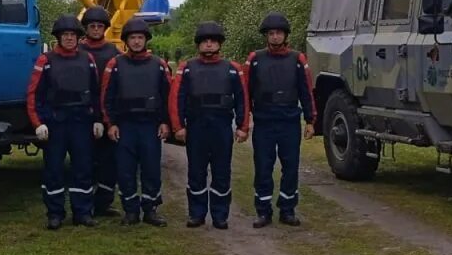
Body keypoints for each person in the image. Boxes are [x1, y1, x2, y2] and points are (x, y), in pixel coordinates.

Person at [169, 21, 249, 230]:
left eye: (213, 41)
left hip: (222, 126)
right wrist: (178, 127)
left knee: (222, 172)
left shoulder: (232, 69)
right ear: (199, 45)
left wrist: (242, 126)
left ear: (219, 44)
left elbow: (242, 99)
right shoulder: (187, 68)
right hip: (196, 126)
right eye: (205, 41)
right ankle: (197, 214)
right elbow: (176, 97)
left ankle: (220, 215)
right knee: (196, 171)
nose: (209, 45)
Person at [27, 14, 103, 230]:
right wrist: (37, 123)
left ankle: (82, 212)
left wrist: (97, 119)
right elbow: (33, 94)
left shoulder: (87, 59)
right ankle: (55, 213)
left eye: (73, 35)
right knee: (53, 170)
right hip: (55, 124)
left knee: (83, 168)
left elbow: (96, 92)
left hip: (81, 123)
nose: (69, 38)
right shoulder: (46, 60)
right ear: (58, 37)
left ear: (79, 37)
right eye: (65, 35)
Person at [245, 12, 316, 228]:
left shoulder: (297, 59)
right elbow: (245, 92)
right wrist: (244, 120)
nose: (275, 37)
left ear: (285, 36)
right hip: (264, 121)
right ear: (266, 36)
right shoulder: (255, 59)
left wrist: (310, 120)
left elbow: (306, 92)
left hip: (289, 121)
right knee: (263, 166)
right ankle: (263, 211)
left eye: (279, 33)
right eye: (271, 33)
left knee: (291, 166)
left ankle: (287, 209)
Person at [101, 18, 172, 227]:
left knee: (151, 169)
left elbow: (167, 96)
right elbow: (107, 97)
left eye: (140, 37)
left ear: (146, 40)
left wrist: (165, 122)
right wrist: (110, 123)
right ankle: (130, 211)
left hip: (149, 126)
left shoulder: (159, 65)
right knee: (125, 170)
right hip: (125, 126)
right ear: (126, 41)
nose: (137, 41)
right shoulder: (115, 64)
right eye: (133, 38)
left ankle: (150, 210)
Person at [79, 6, 122, 217]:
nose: (96, 29)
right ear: (86, 28)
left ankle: (104, 203)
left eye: (99, 26)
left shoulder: (114, 52)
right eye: (92, 26)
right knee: (85, 162)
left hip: (107, 113)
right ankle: (85, 205)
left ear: (105, 28)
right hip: (83, 113)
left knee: (109, 162)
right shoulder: (77, 51)